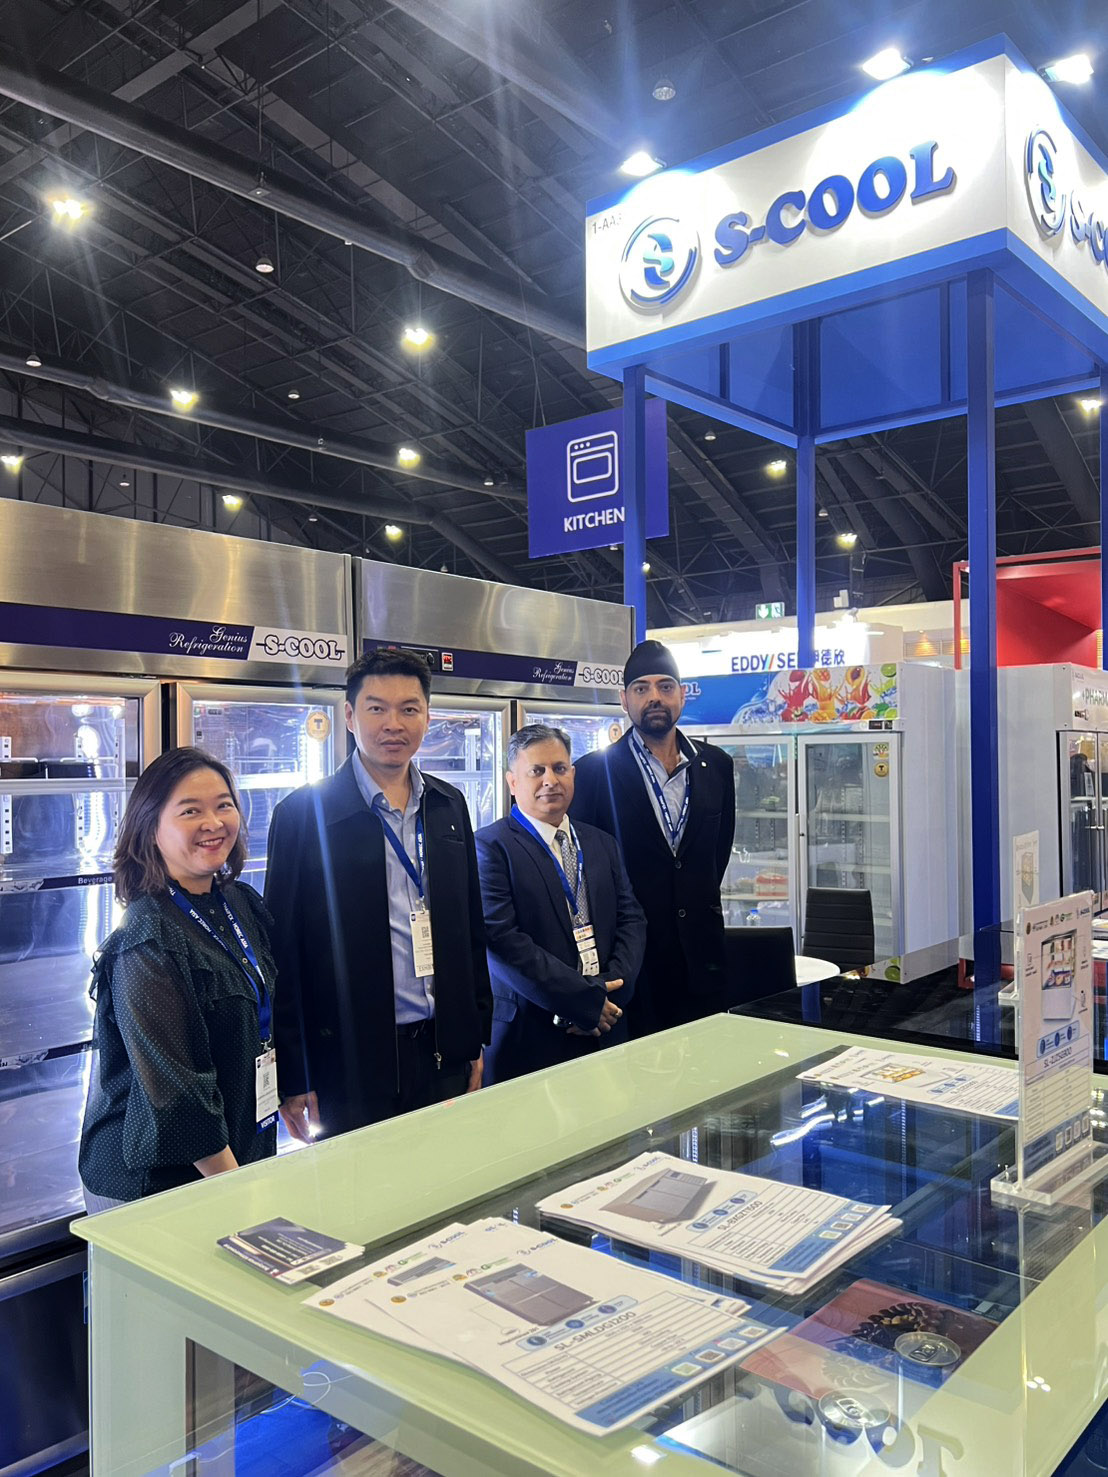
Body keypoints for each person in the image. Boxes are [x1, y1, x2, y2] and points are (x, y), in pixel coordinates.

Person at [265, 648, 492, 1141]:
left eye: (409, 709)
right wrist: (294, 1074)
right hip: (348, 1062)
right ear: (349, 716)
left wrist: (474, 1036)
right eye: (376, 708)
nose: (394, 724)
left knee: (449, 1175)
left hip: (444, 1051)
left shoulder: (448, 804)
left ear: (427, 716)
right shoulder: (303, 815)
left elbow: (470, 928)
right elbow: (283, 955)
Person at [79, 748, 278, 1211]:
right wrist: (243, 1192)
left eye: (224, 805)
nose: (214, 822)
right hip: (156, 1185)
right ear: (150, 827)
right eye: (190, 811)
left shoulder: (238, 902)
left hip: (232, 1158)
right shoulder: (148, 936)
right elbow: (177, 1093)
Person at [571, 639, 736, 1035]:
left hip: (703, 961)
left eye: (665, 686)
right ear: (624, 700)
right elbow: (582, 876)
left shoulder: (716, 766)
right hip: (630, 966)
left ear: (682, 694)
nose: (654, 697)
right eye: (641, 688)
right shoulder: (592, 773)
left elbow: (717, 855)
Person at [475, 724, 646, 1085]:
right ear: (512, 782)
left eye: (559, 768)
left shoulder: (601, 843)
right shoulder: (490, 848)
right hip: (531, 1037)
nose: (550, 780)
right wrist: (583, 1003)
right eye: (536, 771)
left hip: (607, 1025)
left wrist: (610, 992)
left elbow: (631, 919)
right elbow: (503, 942)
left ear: (573, 774)